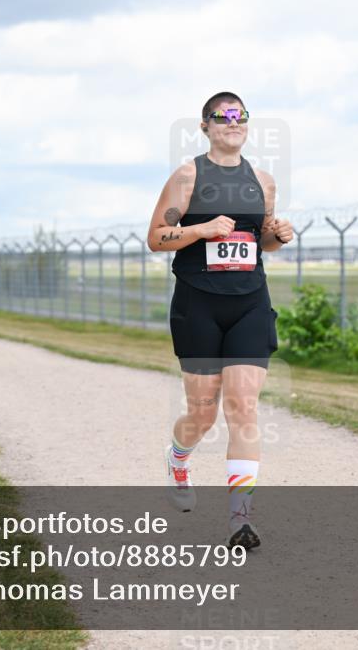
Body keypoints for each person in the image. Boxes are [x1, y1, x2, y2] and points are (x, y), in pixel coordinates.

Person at [147, 91, 294, 550]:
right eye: (223, 116)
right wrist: (201, 229)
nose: (233, 122)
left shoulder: (263, 181)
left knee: (243, 406)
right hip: (199, 304)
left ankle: (240, 520)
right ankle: (178, 457)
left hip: (250, 301)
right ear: (205, 126)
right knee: (203, 412)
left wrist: (277, 237)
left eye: (240, 116)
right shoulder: (188, 176)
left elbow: (260, 239)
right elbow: (157, 237)